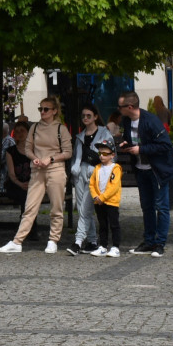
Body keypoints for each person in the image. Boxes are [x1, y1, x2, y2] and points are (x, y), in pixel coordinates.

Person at [0, 96, 72, 254]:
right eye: (41, 109)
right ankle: (17, 241)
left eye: (46, 109)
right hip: (37, 170)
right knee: (30, 207)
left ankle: (53, 240)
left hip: (56, 169)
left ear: (54, 111)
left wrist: (51, 159)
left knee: (56, 207)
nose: (42, 112)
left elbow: (67, 152)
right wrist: (35, 159)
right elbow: (28, 149)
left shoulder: (61, 129)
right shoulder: (35, 128)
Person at [117, 90, 173, 258]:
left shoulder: (151, 121)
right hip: (141, 170)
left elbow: (165, 145)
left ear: (129, 106)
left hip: (157, 171)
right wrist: (126, 144)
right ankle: (149, 241)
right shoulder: (127, 121)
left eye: (120, 106)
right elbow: (134, 139)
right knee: (146, 206)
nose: (118, 110)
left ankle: (160, 244)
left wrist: (141, 149)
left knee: (162, 207)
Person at [66, 104, 112, 256]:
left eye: (89, 116)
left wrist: (99, 167)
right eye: (83, 116)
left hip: (95, 173)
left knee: (85, 208)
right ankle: (92, 241)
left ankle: (78, 241)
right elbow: (76, 156)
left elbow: (111, 155)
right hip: (80, 172)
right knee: (82, 209)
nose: (85, 118)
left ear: (95, 117)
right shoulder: (80, 136)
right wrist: (75, 167)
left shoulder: (104, 133)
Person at [88, 140, 123, 258]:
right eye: (100, 154)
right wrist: (95, 197)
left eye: (105, 154)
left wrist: (102, 197)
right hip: (98, 202)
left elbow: (114, 186)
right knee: (102, 224)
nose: (102, 156)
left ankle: (116, 247)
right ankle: (103, 246)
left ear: (112, 155)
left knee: (114, 224)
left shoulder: (116, 168)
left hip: (111, 202)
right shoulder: (97, 168)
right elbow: (91, 184)